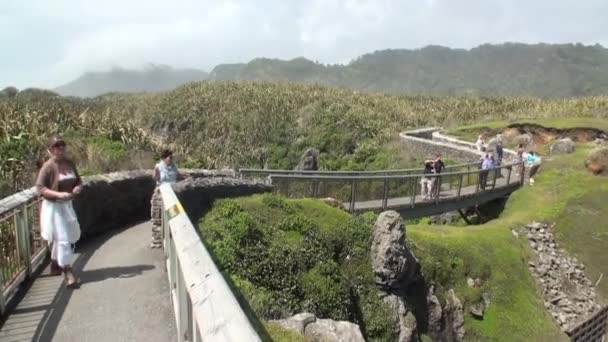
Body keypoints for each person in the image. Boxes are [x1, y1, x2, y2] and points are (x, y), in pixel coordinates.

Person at [36, 136, 82, 288]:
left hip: (67, 205)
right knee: (63, 237)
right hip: (54, 207)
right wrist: (58, 195)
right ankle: (67, 269)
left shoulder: (69, 163)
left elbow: (78, 181)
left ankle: (55, 264)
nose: (60, 149)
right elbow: (40, 188)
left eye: (62, 146)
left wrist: (77, 188)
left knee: (66, 234)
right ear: (50, 150)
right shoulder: (48, 167)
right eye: (56, 146)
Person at [150, 149, 189, 248]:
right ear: (164, 158)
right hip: (165, 192)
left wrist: (185, 176)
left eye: (172, 157)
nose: (171, 159)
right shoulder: (159, 166)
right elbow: (155, 178)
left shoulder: (173, 165)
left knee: (176, 213)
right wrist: (155, 172)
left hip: (174, 191)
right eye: (170, 157)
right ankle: (167, 234)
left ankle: (174, 231)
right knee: (169, 214)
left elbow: (177, 174)